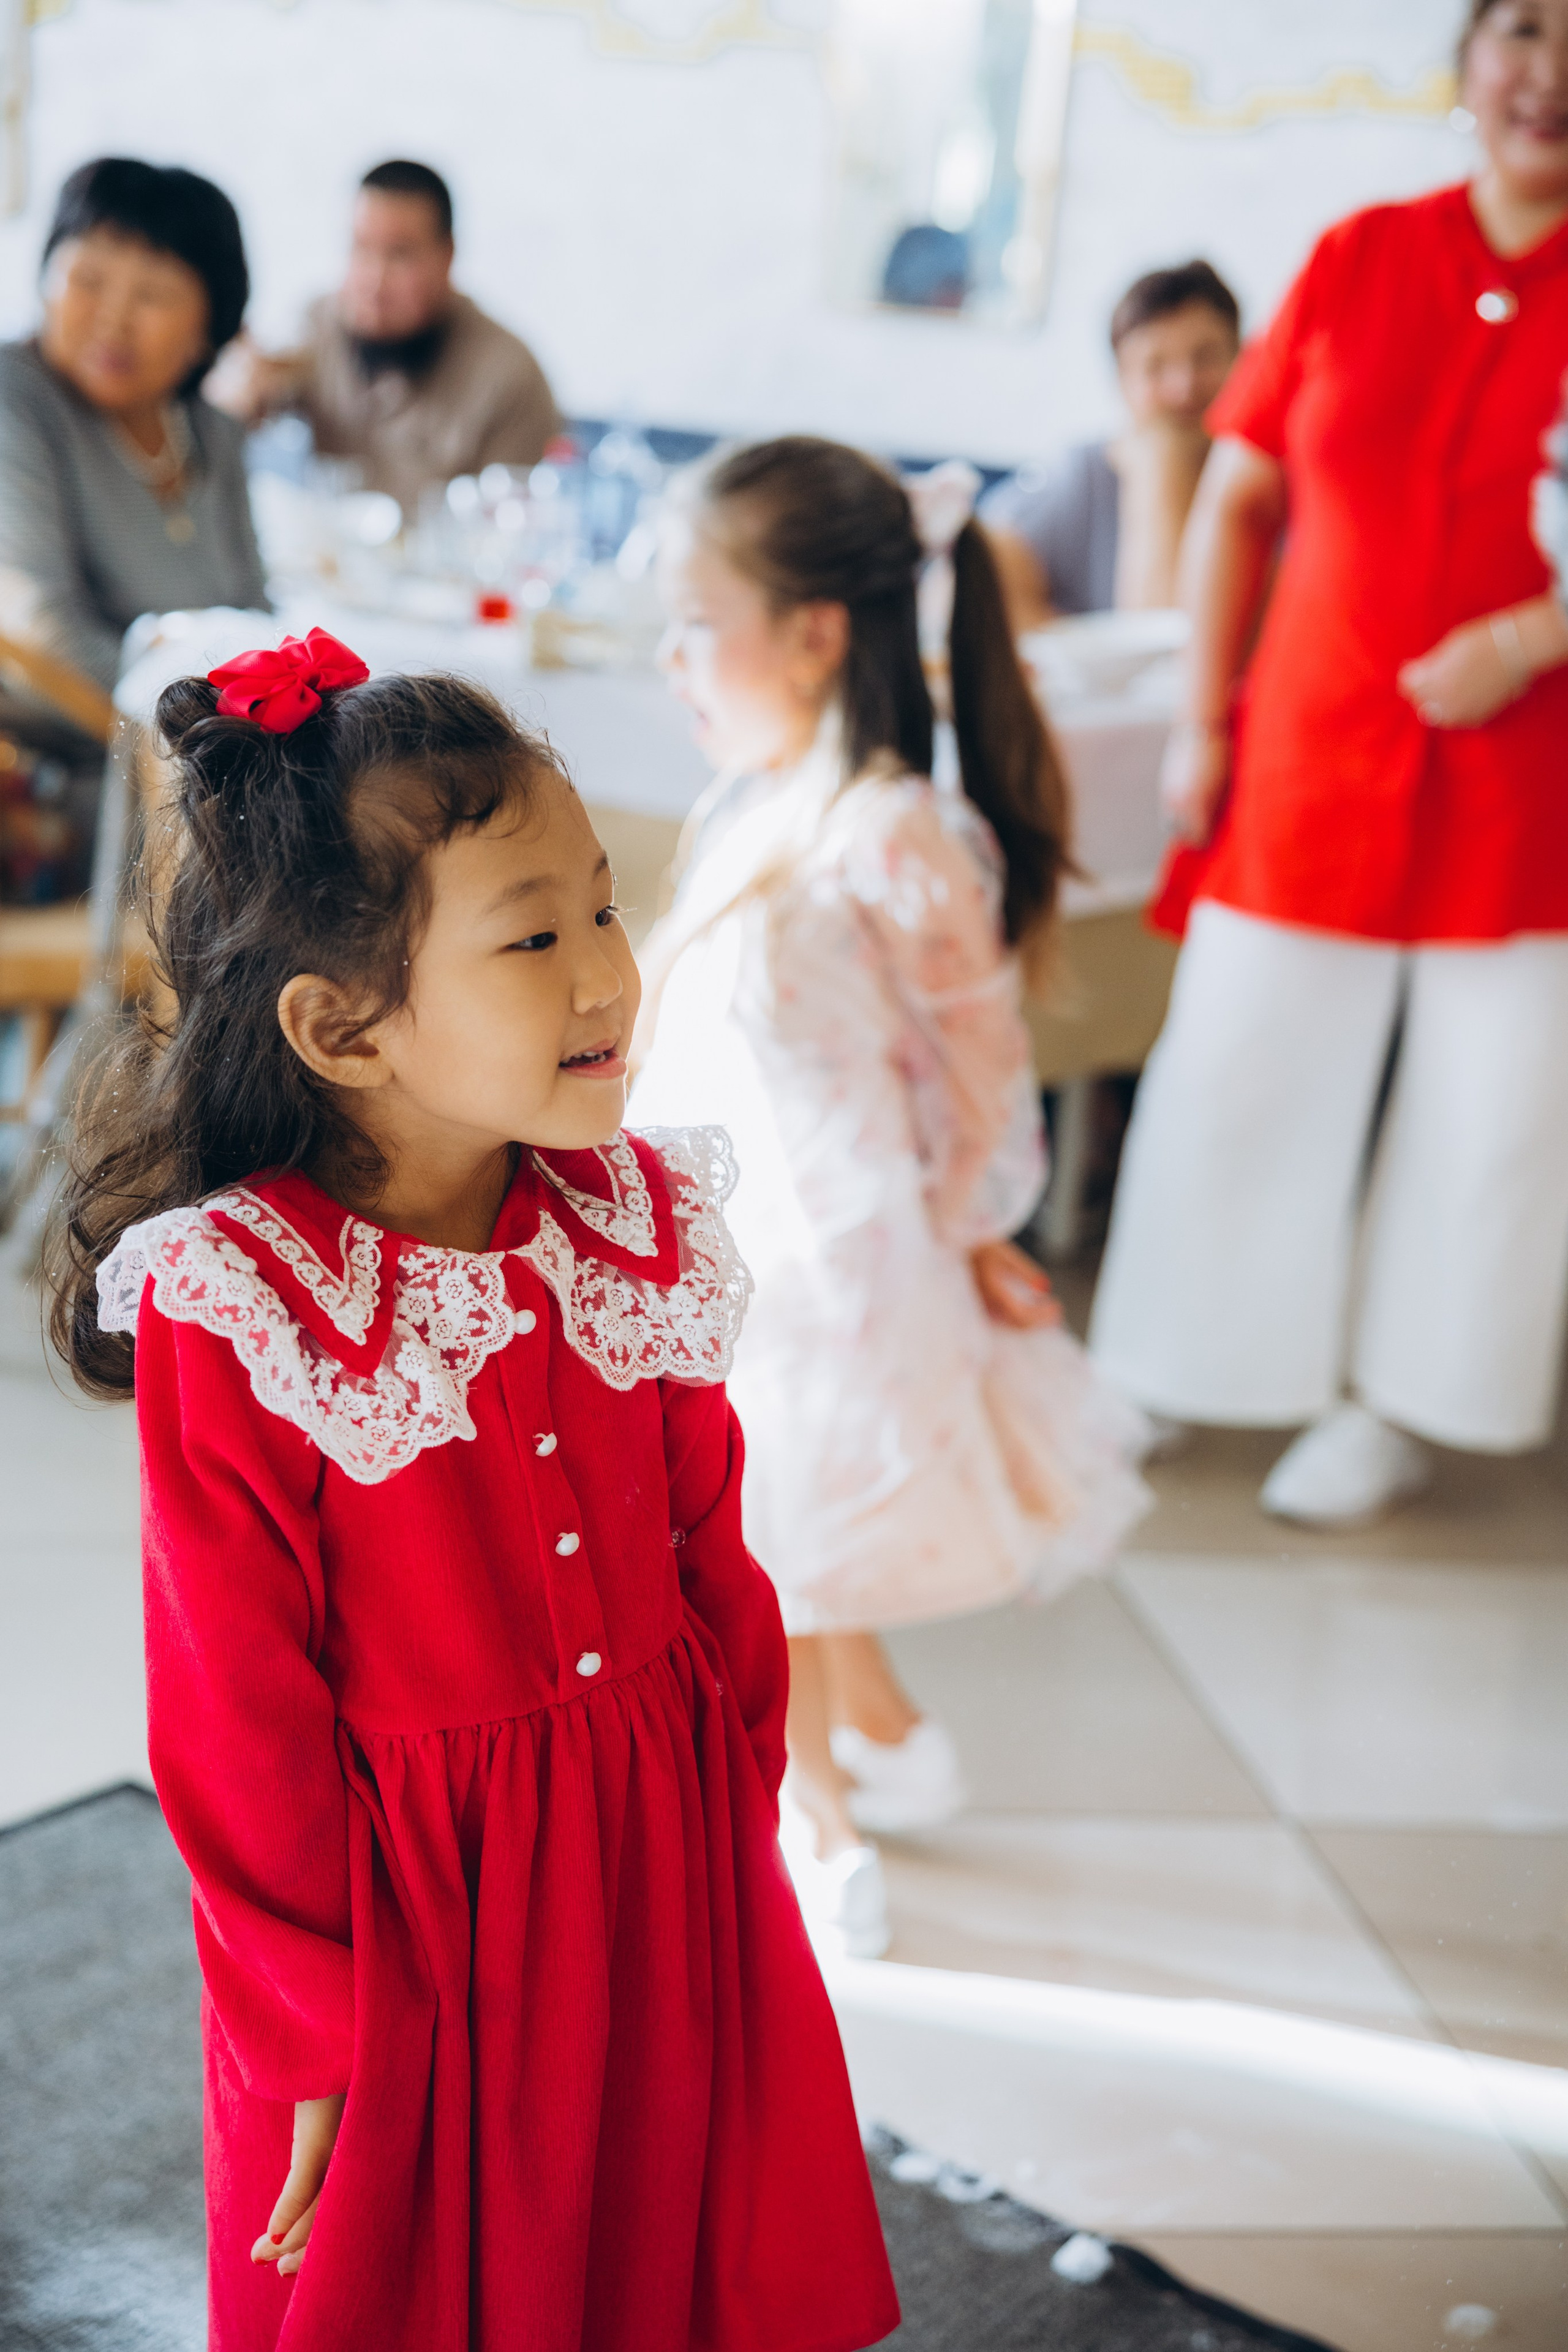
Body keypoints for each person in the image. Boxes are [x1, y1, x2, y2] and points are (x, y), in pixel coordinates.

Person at [45, 635, 899, 2352]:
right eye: (533, 934)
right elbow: (234, 1719)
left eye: (605, 911)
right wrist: (313, 2033)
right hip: (408, 1930)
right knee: (423, 2284)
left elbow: (707, 1557)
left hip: (652, 1856)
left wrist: (731, 1856)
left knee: (646, 2240)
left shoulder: (635, 1225)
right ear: (341, 1027)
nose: (608, 976)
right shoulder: (246, 1303)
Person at [630, 439, 1150, 1959]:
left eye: (692, 621)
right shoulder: (766, 799)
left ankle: (814, 1827)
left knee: (752, 1540)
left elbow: (979, 1071)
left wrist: (974, 1224)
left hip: (834, 1265)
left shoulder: (892, 833)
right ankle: (893, 1738)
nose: (669, 660)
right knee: (765, 1528)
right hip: (736, 1247)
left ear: (810, 632)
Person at [1090, 0, 1568, 1529]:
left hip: (1526, 776)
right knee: (1235, 1065)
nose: (1543, 77)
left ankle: (1401, 1403)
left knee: (1492, 1108)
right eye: (1518, 34)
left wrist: (1532, 635)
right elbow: (1237, 503)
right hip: (1309, 745)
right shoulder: (1361, 255)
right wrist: (1203, 721)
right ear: (1465, 61)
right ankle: (1166, 1362)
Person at [0, 157, 266, 693]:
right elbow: (39, 639)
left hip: (211, 752)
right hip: (82, 760)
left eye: (152, 295)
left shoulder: (211, 432)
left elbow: (254, 613)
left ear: (209, 328)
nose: (113, 319)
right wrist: (217, 722)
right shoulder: (16, 400)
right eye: (89, 280)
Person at [213, 160, 560, 516]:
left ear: (447, 256)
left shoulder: (509, 375)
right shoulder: (319, 327)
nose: (374, 282)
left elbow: (517, 531)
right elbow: (244, 392)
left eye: (400, 255)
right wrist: (243, 393)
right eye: (361, 249)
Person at [981, 259, 1241, 625]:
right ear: (1122, 380)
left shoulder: (1271, 482)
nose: (1184, 386)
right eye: (1156, 366)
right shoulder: (1080, 474)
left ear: (1242, 361)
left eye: (1206, 358)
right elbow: (979, 559)